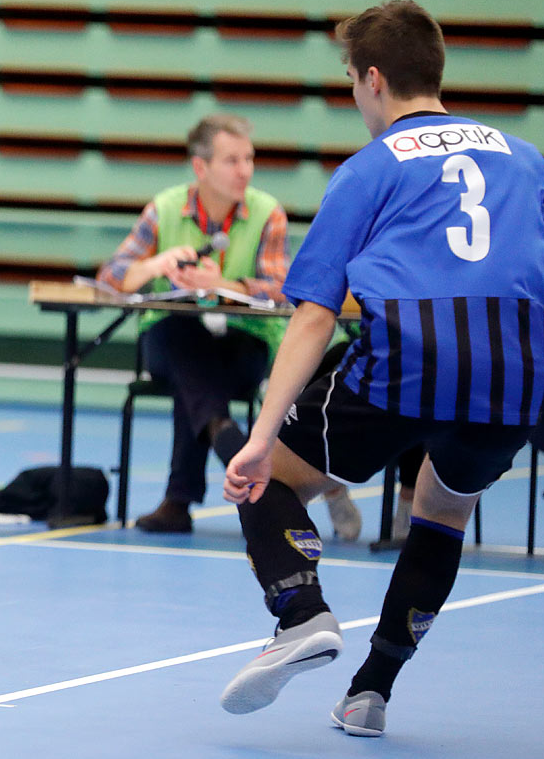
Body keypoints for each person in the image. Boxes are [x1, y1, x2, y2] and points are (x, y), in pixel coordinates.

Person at [218, 0, 544, 736]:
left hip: (407, 362)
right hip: (513, 378)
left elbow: (315, 313)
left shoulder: (370, 168)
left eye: (352, 81)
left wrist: (260, 432)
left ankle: (301, 611)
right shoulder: (528, 160)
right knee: (443, 513)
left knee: (268, 478)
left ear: (373, 79)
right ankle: (369, 694)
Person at [97, 114, 362, 540]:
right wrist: (154, 264)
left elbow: (284, 288)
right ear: (200, 168)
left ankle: (181, 498)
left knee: (199, 377)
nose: (245, 170)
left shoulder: (267, 212)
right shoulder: (164, 208)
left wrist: (221, 284)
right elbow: (110, 277)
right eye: (232, 160)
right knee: (186, 342)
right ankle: (251, 462)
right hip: (172, 341)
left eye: (249, 159)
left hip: (244, 345)